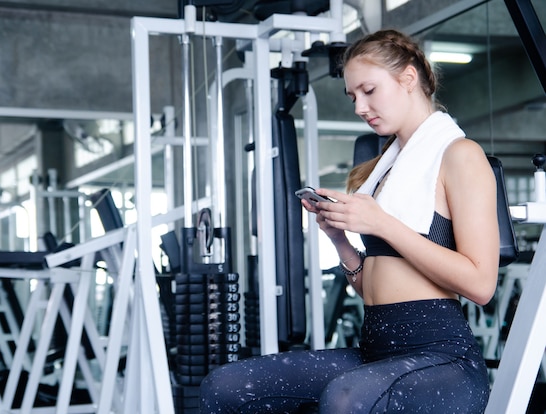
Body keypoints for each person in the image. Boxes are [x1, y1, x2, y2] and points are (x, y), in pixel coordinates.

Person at [199, 28, 499, 413]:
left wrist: (381, 223)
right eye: (353, 96)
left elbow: (481, 284)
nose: (359, 106)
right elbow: (376, 288)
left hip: (442, 359)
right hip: (376, 352)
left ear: (408, 79)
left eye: (369, 91)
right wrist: (339, 239)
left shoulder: (460, 154)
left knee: (347, 398)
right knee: (225, 386)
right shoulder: (384, 171)